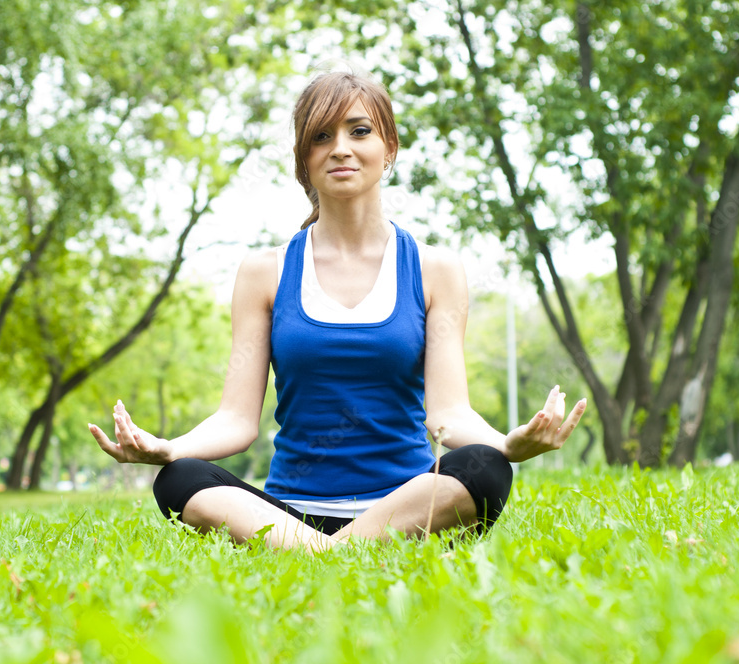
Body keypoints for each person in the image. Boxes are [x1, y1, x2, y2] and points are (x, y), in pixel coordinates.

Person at [89, 69, 587, 553]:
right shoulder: (266, 272)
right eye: (321, 136)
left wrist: (509, 443)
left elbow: (448, 416)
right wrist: (169, 449)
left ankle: (324, 553)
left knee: (485, 468)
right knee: (180, 479)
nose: (341, 148)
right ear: (304, 159)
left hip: (402, 508)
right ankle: (337, 550)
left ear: (388, 147)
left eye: (360, 131)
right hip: (287, 513)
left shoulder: (435, 269)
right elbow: (237, 420)